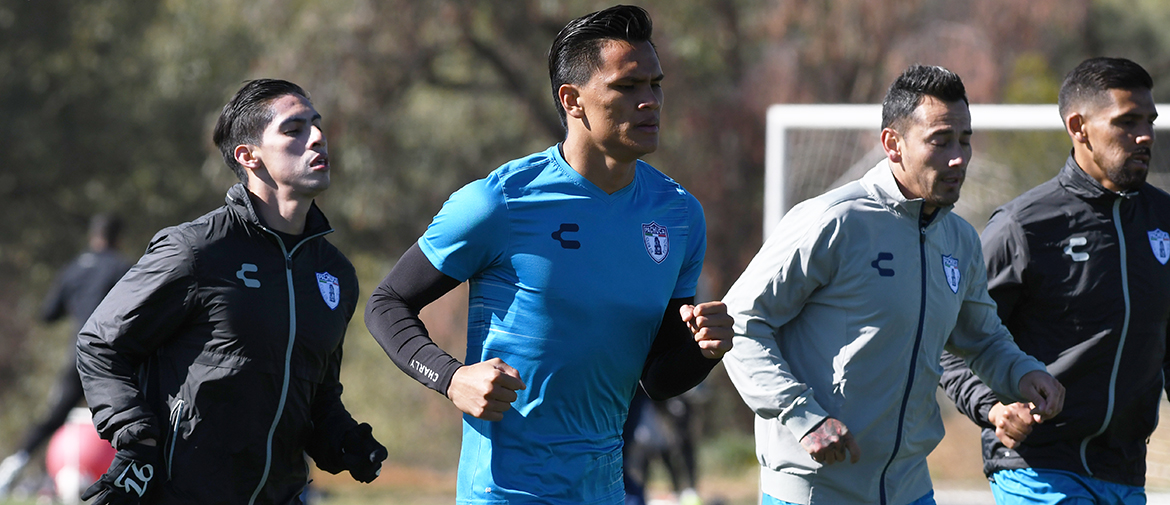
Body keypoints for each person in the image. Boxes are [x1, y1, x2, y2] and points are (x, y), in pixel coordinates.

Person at [363, 5, 732, 503]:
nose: (649, 101)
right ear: (572, 100)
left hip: (604, 489)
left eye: (655, 84)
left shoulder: (679, 214)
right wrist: (452, 378)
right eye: (627, 86)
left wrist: (704, 350)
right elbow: (386, 303)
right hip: (503, 491)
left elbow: (659, 378)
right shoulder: (499, 202)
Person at [720, 64, 1067, 505]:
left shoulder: (959, 239)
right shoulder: (834, 221)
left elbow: (982, 339)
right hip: (815, 489)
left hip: (909, 488)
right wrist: (802, 416)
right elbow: (739, 322)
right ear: (892, 144)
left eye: (964, 140)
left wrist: (1024, 372)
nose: (958, 157)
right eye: (940, 141)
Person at [75, 79, 386, 505]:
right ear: (248, 156)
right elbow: (99, 344)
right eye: (294, 129)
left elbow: (317, 395)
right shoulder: (195, 250)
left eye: (317, 125)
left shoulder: (335, 274)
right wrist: (136, 438)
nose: (317, 137)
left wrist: (344, 439)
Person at [939, 57, 1169, 504]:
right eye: (1127, 122)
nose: (1145, 135)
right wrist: (994, 408)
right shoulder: (1024, 226)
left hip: (1125, 470)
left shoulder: (1163, 220)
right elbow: (953, 340)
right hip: (1037, 468)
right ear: (1079, 127)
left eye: (1149, 121)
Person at [0, 214, 131, 497]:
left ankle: (10, 470)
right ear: (119, 238)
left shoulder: (73, 268)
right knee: (128, 418)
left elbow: (49, 313)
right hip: (111, 361)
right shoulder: (121, 267)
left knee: (54, 417)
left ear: (93, 236)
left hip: (78, 357)